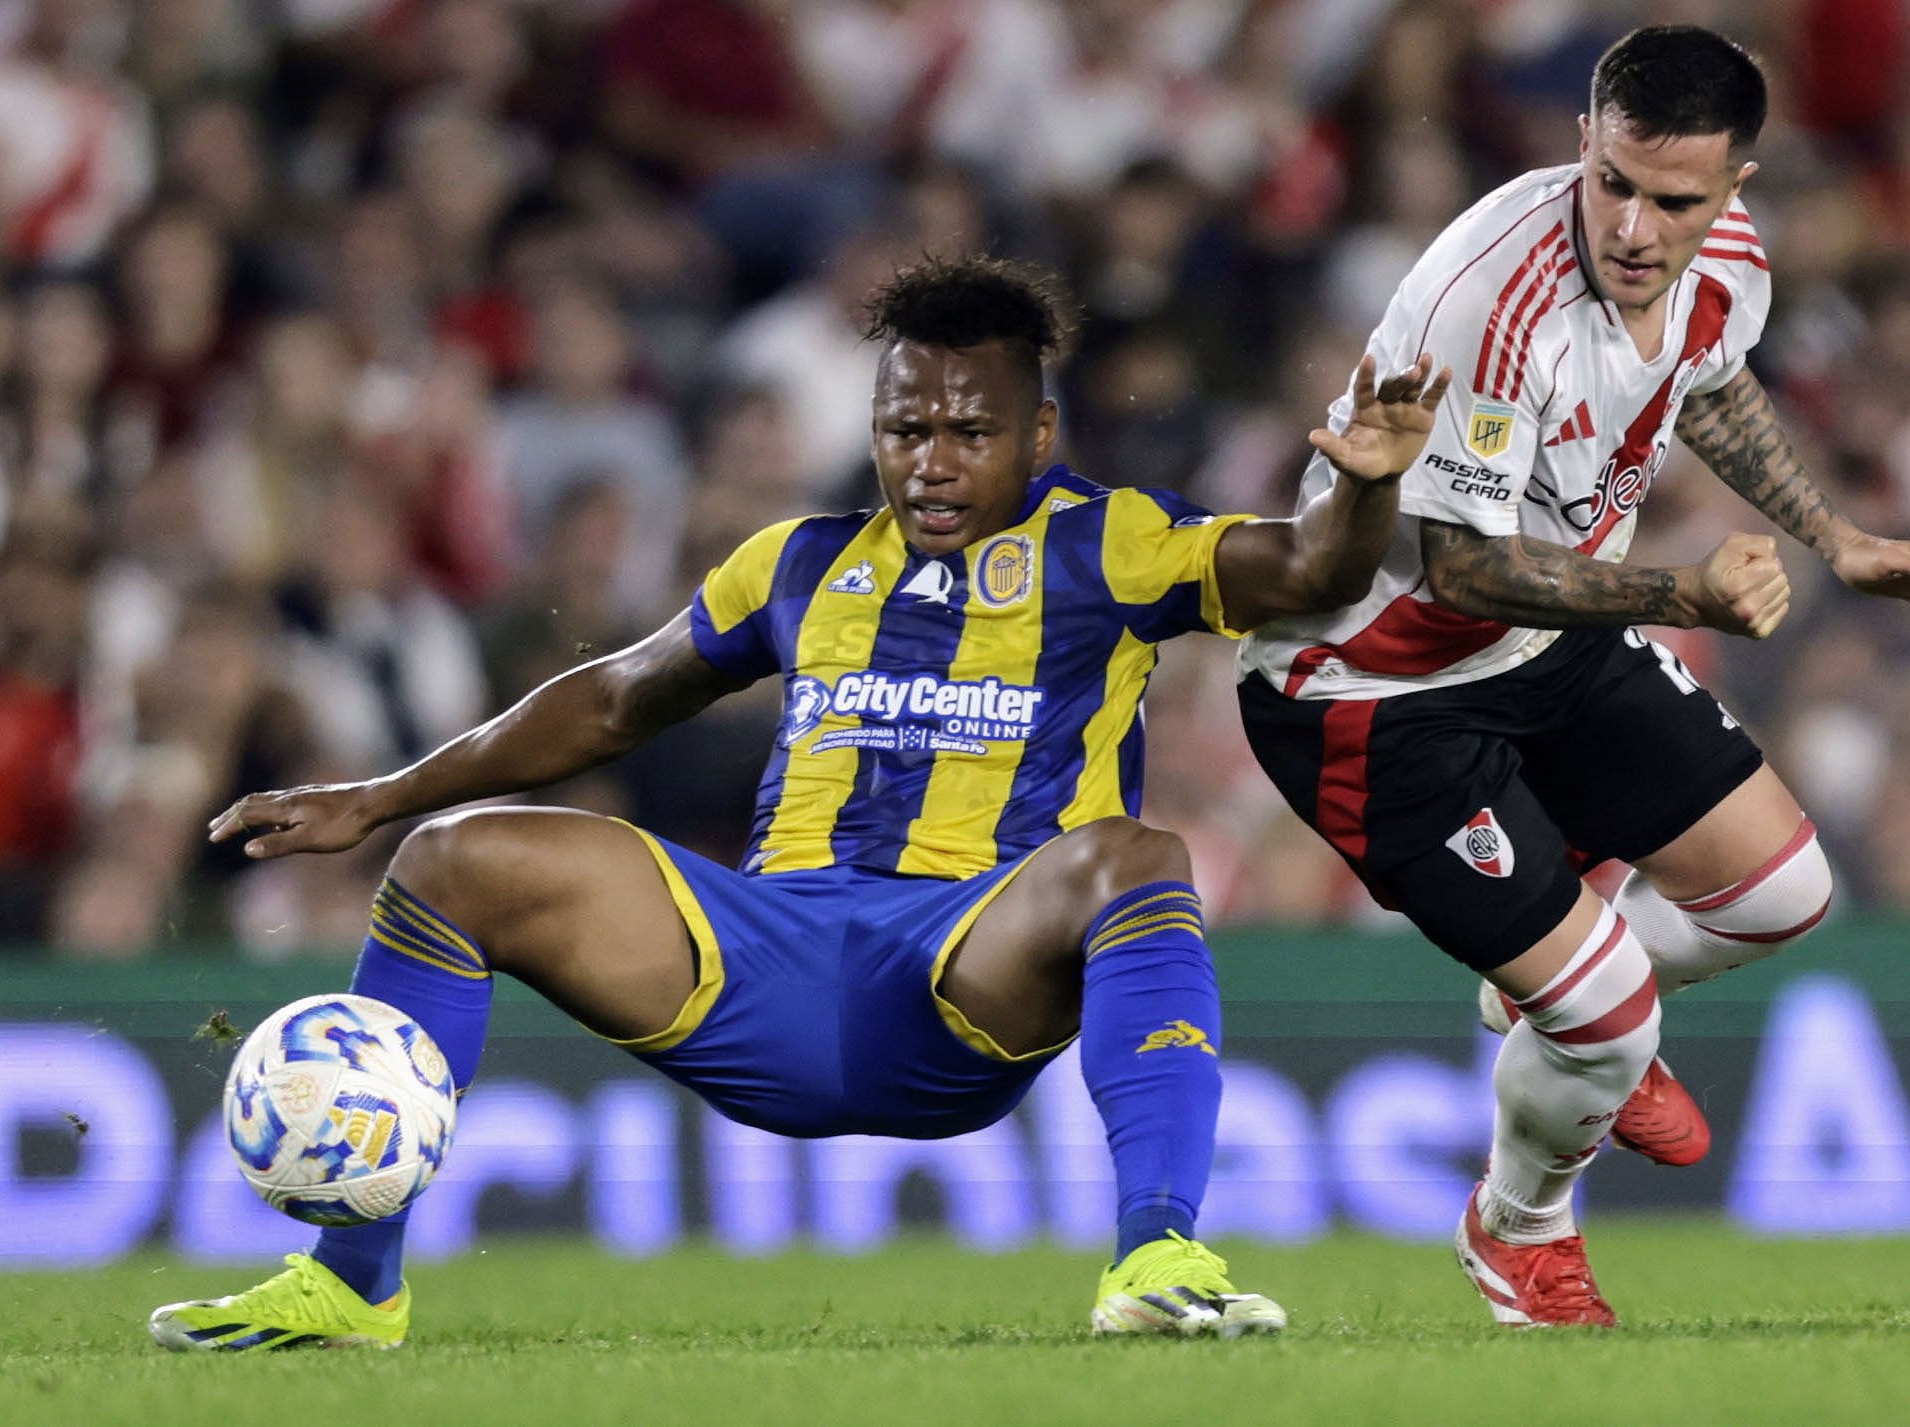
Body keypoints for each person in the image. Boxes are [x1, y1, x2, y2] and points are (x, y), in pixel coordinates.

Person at [150, 255, 1449, 1350]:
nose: (932, 462)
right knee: (449, 861)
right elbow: (611, 703)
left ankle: (1158, 1258)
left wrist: (1371, 483)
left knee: (1136, 856)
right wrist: (379, 795)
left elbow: (1312, 570)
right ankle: (349, 1286)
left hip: (964, 967)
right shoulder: (798, 562)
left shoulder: (1111, 543)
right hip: (757, 966)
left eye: (971, 432)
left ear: (1040, 434)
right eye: (905, 429)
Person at [1235, 25, 1910, 1328]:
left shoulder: (1726, 264)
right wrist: (1682, 594)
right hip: (1372, 687)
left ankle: (1555, 996)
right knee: (1602, 1016)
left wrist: (1835, 536)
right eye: (1614, 184)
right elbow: (1469, 571)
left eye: (1676, 200)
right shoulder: (1490, 306)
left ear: (1736, 190)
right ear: (1579, 148)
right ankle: (1520, 1232)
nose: (1638, 228)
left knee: (1783, 894)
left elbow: (1704, 381)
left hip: (1547, 638)